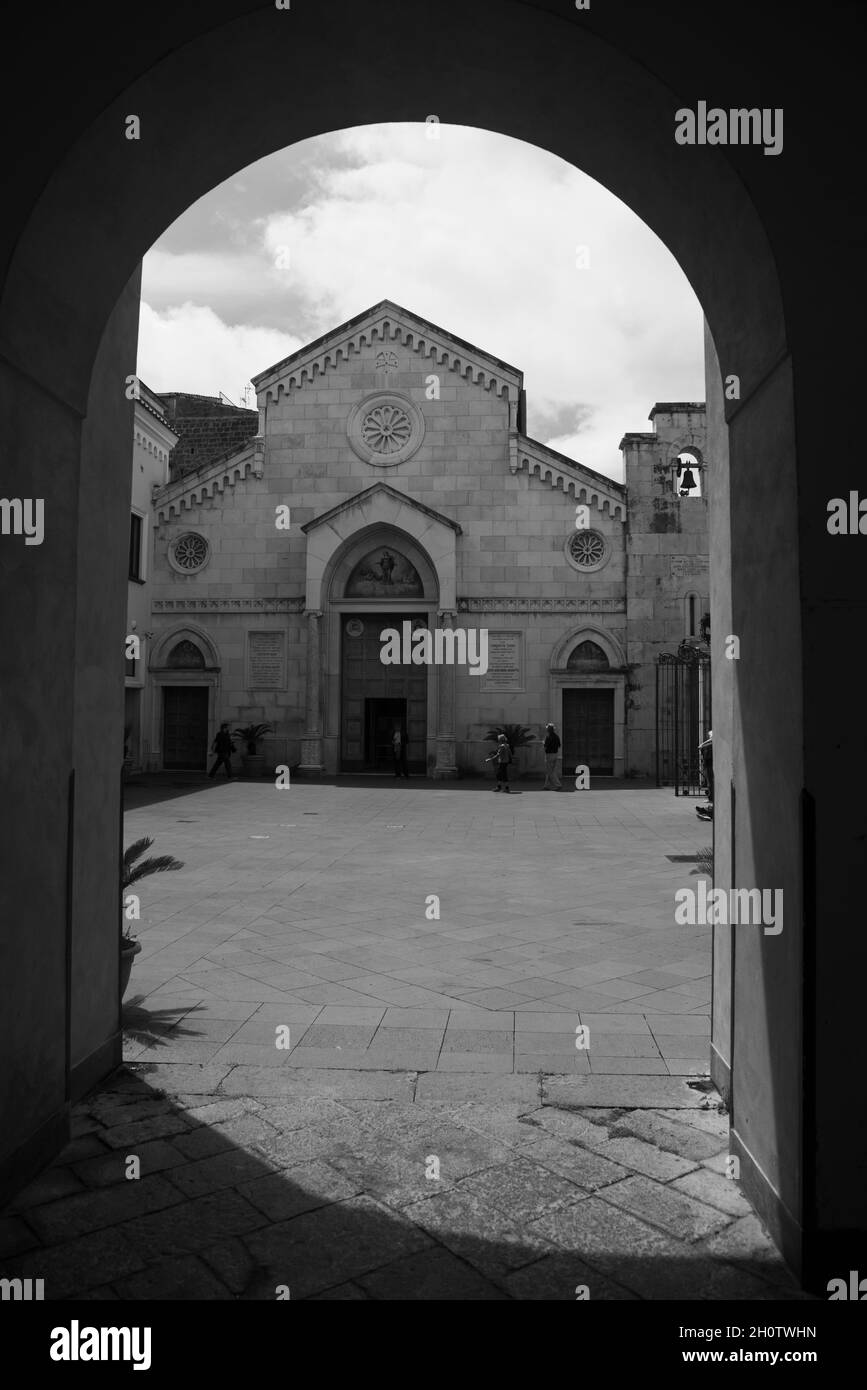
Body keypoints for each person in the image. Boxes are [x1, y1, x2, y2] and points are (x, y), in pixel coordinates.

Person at [696, 729, 713, 819]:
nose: (709, 737)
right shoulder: (709, 744)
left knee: (711, 784)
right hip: (708, 765)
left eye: (710, 736)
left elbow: (700, 747)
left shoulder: (711, 744)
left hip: (710, 766)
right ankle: (708, 809)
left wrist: (705, 743)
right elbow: (701, 747)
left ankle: (709, 810)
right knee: (710, 784)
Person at [543, 722, 562, 789]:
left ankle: (558, 785)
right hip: (555, 754)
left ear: (548, 730)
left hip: (549, 755)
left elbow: (545, 746)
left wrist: (544, 744)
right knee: (550, 770)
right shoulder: (556, 736)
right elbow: (559, 745)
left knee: (550, 771)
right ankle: (546, 785)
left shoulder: (548, 737)